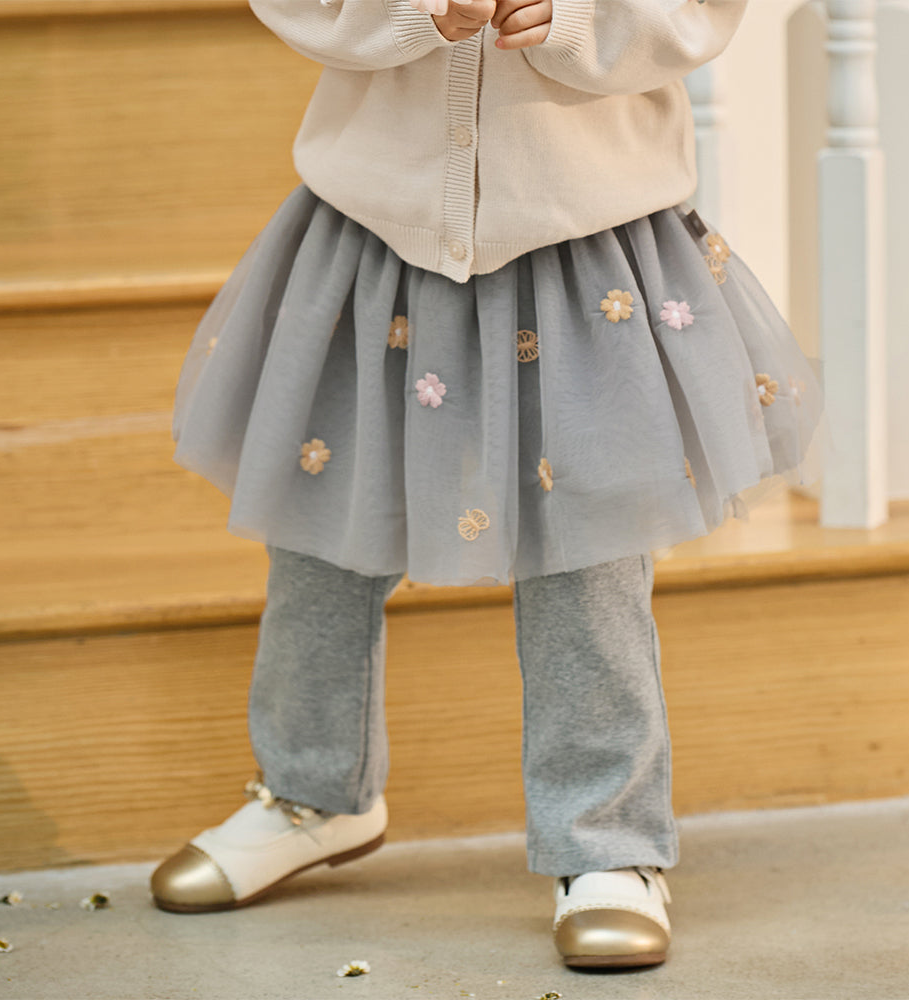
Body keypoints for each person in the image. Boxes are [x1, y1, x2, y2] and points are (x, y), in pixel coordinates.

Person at [150, 0, 824, 969]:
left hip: (585, 235)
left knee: (587, 560)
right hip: (369, 227)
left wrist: (581, 17)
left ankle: (605, 839)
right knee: (322, 533)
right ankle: (312, 788)